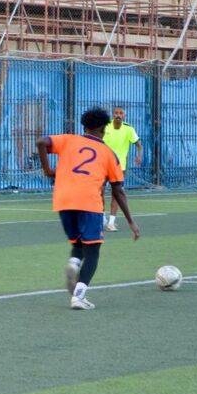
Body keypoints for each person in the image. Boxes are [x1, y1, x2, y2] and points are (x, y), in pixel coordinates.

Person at [36, 107, 140, 310]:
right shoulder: (108, 153)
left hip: (63, 201)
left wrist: (48, 170)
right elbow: (118, 191)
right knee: (93, 250)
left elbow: (41, 142)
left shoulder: (68, 140)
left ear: (84, 126)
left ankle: (74, 263)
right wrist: (131, 221)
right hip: (89, 203)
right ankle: (79, 296)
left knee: (78, 243)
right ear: (104, 128)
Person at [102, 106, 142, 232]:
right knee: (99, 191)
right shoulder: (105, 127)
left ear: (124, 115)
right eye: (116, 113)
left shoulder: (129, 129)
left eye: (121, 113)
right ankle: (101, 217)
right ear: (112, 114)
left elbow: (139, 145)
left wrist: (139, 156)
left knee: (116, 194)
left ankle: (111, 222)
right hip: (103, 165)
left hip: (120, 167)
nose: (118, 115)